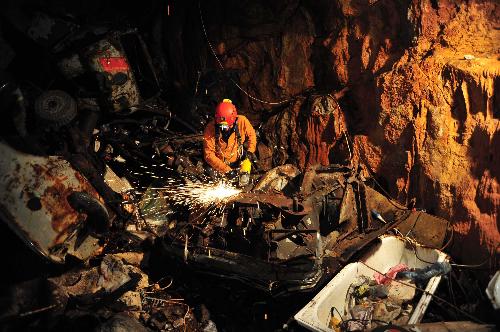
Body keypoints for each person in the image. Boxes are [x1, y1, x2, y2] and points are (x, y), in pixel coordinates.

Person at [203, 99, 256, 179]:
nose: (225, 129)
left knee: (245, 171)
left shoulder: (242, 121)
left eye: (228, 126)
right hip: (219, 165)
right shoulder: (210, 129)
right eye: (222, 126)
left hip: (238, 160)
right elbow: (208, 155)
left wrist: (250, 152)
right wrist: (226, 170)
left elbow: (252, 135)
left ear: (234, 120)